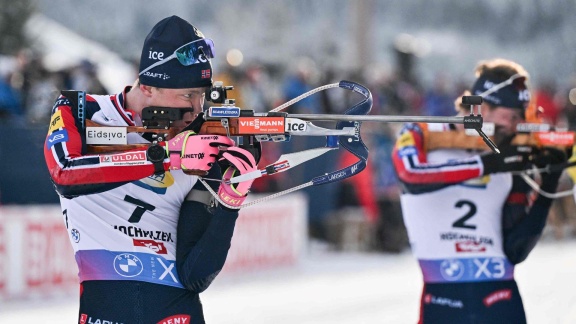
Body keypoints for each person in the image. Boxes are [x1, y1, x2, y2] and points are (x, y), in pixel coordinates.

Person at [44, 16, 257, 324]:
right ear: (147, 87)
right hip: (105, 310)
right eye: (188, 95)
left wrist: (229, 203)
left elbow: (195, 276)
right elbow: (65, 171)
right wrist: (164, 156)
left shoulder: (203, 135)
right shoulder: (81, 110)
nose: (197, 108)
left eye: (202, 94)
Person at [392, 58, 566, 323]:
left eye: (522, 117)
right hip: (443, 299)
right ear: (482, 107)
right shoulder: (422, 132)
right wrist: (487, 164)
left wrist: (549, 181)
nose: (516, 125)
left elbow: (516, 250)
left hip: (500, 299)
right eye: (511, 115)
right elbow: (411, 175)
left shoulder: (510, 151)